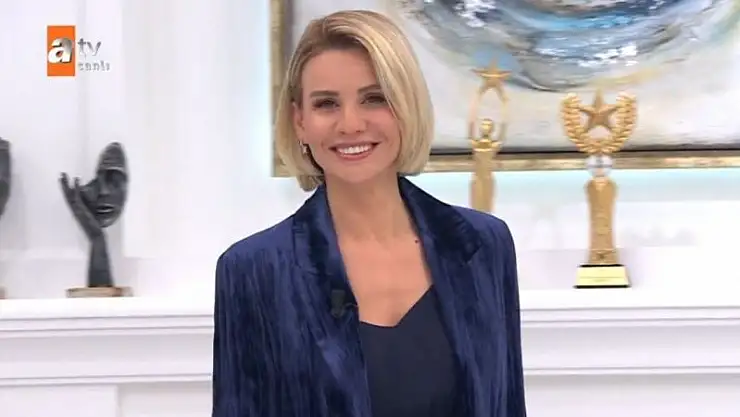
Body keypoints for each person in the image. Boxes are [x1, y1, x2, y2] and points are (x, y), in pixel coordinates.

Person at [211, 9, 527, 417]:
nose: (350, 124)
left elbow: (506, 404)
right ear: (300, 121)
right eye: (327, 104)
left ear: (406, 107)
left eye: (374, 99)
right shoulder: (252, 270)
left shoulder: (484, 245)